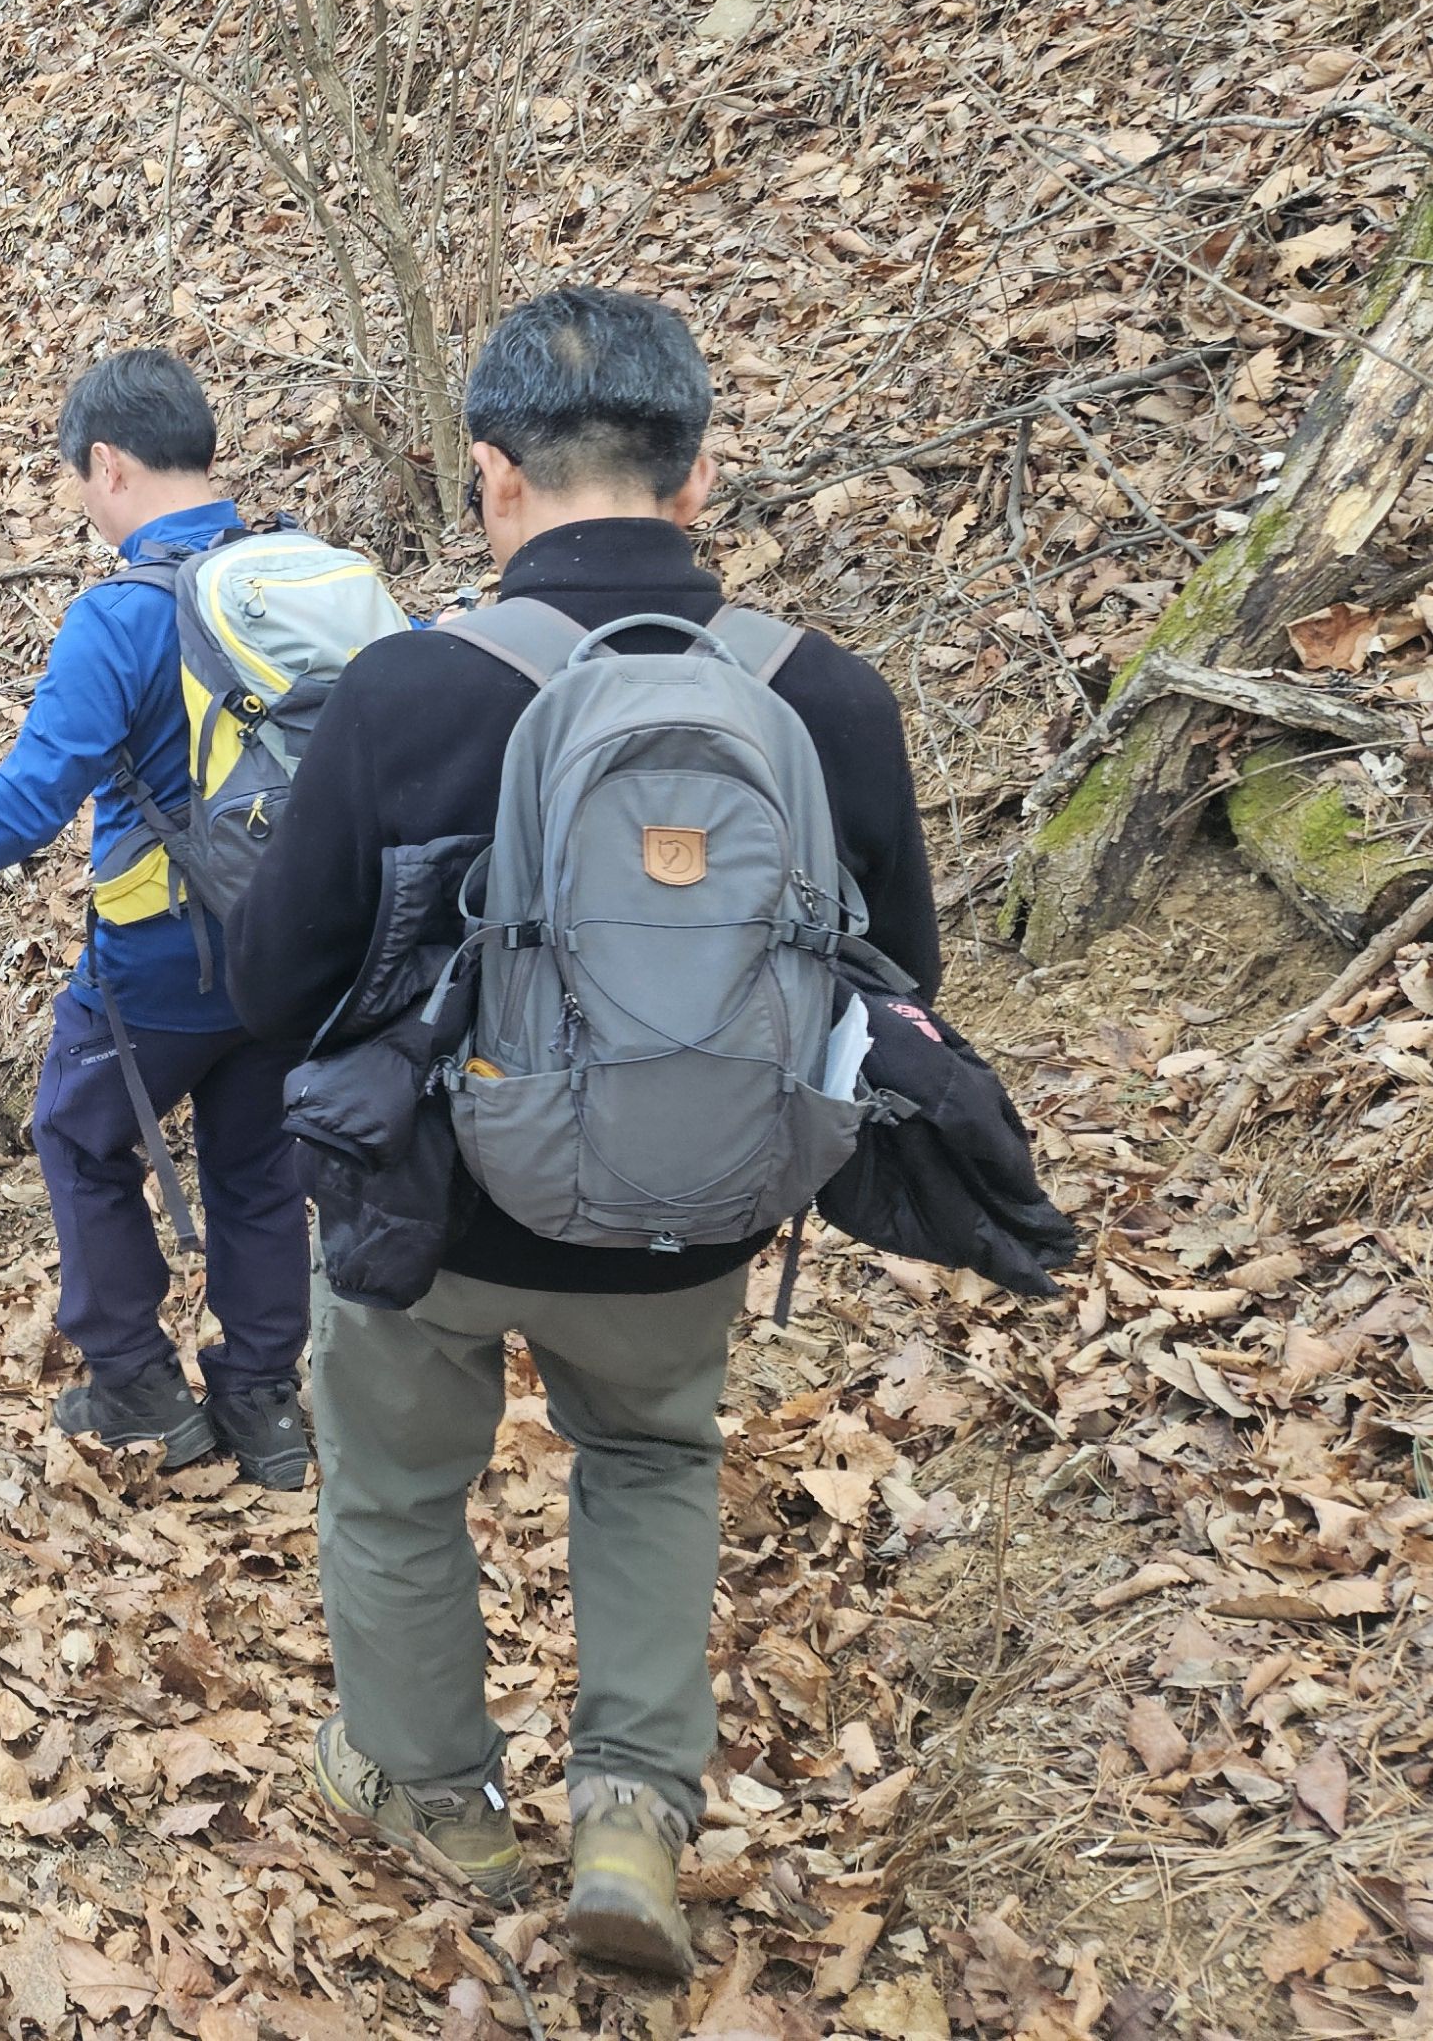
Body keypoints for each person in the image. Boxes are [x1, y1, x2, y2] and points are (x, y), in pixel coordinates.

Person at [227, 289, 940, 1982]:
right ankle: (629, 1811)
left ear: (493, 476)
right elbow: (900, 974)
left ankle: (439, 1796)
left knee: (399, 1492)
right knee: (652, 1462)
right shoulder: (823, 696)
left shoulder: (407, 693)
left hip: (435, 1213)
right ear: (698, 478)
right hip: (693, 1204)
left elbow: (275, 986)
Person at [0, 350, 324, 1488]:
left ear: (108, 463)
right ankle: (265, 1402)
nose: (84, 503)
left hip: (163, 955)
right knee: (257, 1164)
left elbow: (28, 805)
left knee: (79, 1135)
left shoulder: (120, 615)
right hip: (298, 942)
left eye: (80, 480)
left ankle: (137, 1383)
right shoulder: (312, 576)